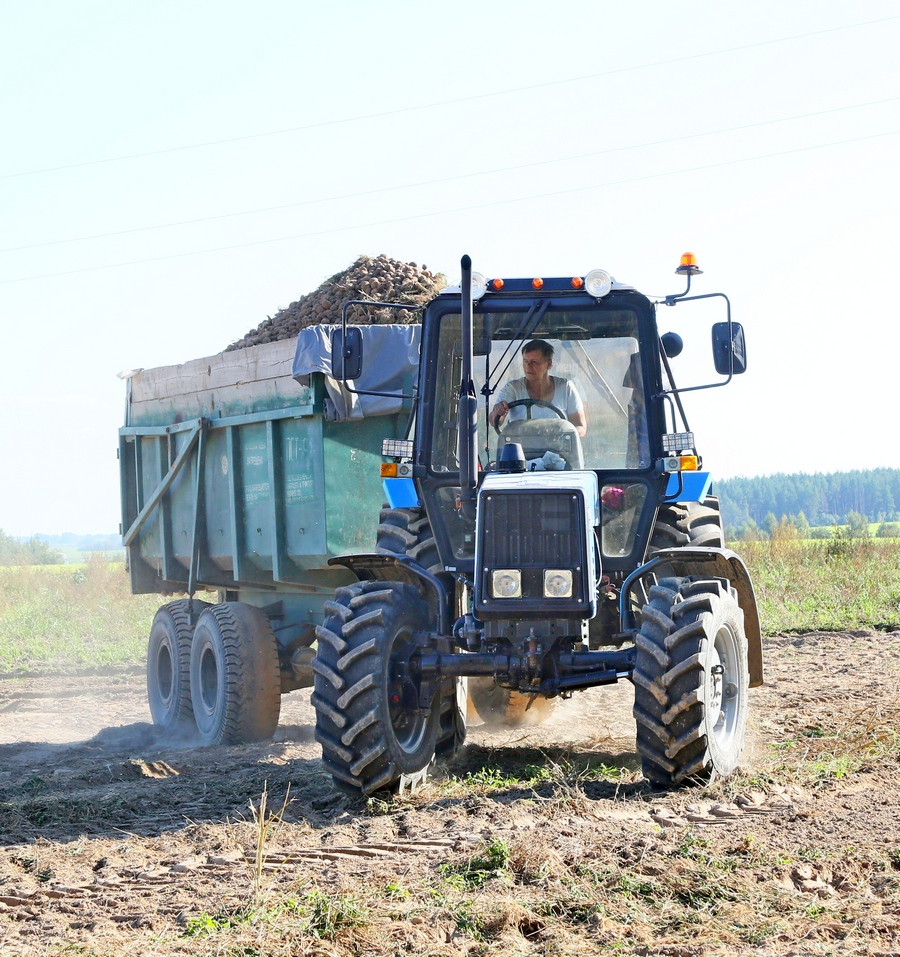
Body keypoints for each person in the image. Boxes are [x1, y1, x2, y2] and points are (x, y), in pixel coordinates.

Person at [490, 339, 587, 437]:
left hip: (557, 449)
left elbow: (580, 427)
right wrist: (498, 411)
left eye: (534, 362)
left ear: (548, 364)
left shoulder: (565, 388)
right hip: (521, 449)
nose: (528, 367)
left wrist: (563, 435)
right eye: (525, 361)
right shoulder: (512, 388)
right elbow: (494, 421)